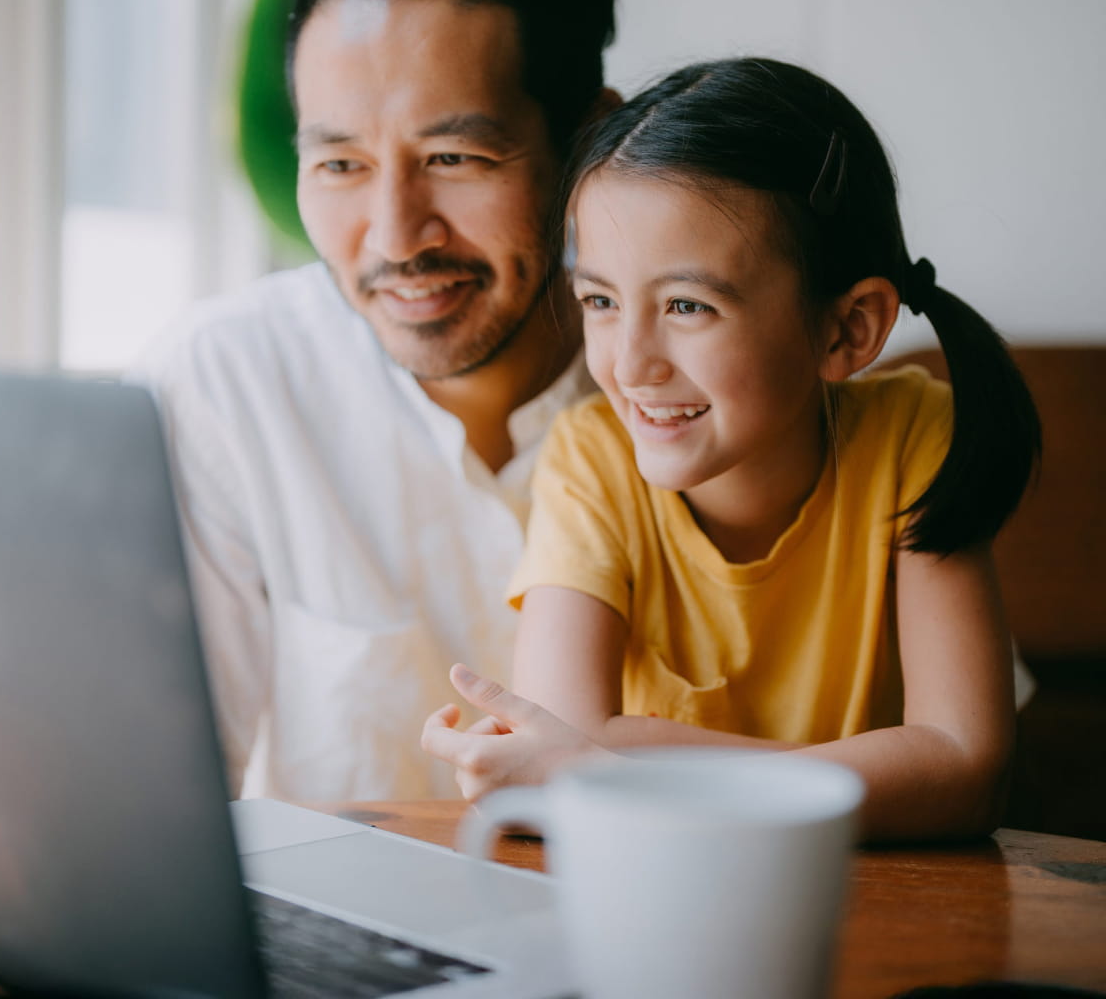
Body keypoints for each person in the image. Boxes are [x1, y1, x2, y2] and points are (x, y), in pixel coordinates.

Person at [422, 58, 1042, 842]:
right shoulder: (589, 461)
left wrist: (634, 759)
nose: (628, 363)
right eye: (601, 301)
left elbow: (965, 772)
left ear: (848, 329)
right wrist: (870, 774)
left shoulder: (910, 435)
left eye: (688, 304)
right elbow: (565, 757)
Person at [138, 0, 617, 804]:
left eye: (454, 155)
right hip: (337, 948)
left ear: (589, 149)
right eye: (342, 166)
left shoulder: (709, 386)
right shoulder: (229, 380)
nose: (397, 236)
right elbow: (151, 804)